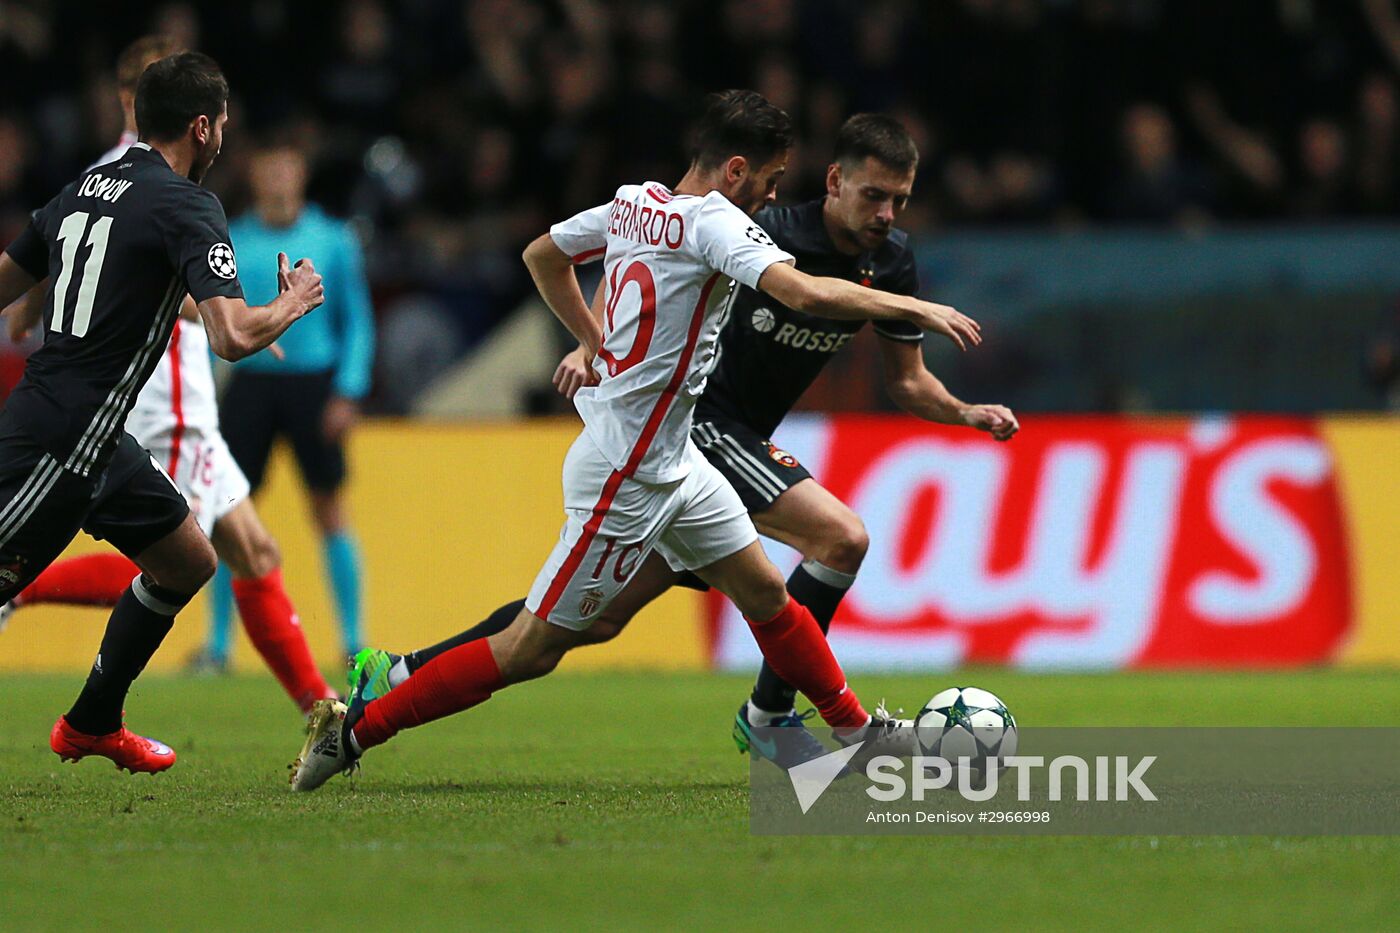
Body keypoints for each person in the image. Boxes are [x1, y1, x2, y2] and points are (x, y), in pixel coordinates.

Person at [290, 90, 981, 791]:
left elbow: (543, 255)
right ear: (736, 171)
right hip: (626, 471)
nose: (770, 200)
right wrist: (914, 304)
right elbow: (803, 294)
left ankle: (854, 732)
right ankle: (352, 731)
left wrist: (591, 341)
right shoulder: (715, 223)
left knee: (768, 592)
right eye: (769, 183)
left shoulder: (633, 201)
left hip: (678, 460)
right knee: (530, 646)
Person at [0, 52, 323, 772]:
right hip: (55, 441)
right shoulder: (187, 204)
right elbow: (233, 337)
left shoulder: (87, 185)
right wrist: (293, 301)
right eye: (224, 126)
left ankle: (91, 721)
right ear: (203, 128)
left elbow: (23, 280)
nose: (225, 139)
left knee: (186, 558)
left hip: (100, 439)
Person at [210, 140, 375, 661]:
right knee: (228, 515)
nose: (279, 179)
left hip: (313, 385)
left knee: (329, 508)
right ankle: (218, 646)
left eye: (287, 168)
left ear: (301, 175)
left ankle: (352, 642)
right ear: (255, 176)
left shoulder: (333, 238)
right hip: (250, 382)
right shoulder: (233, 239)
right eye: (269, 169)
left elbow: (359, 321)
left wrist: (348, 390)